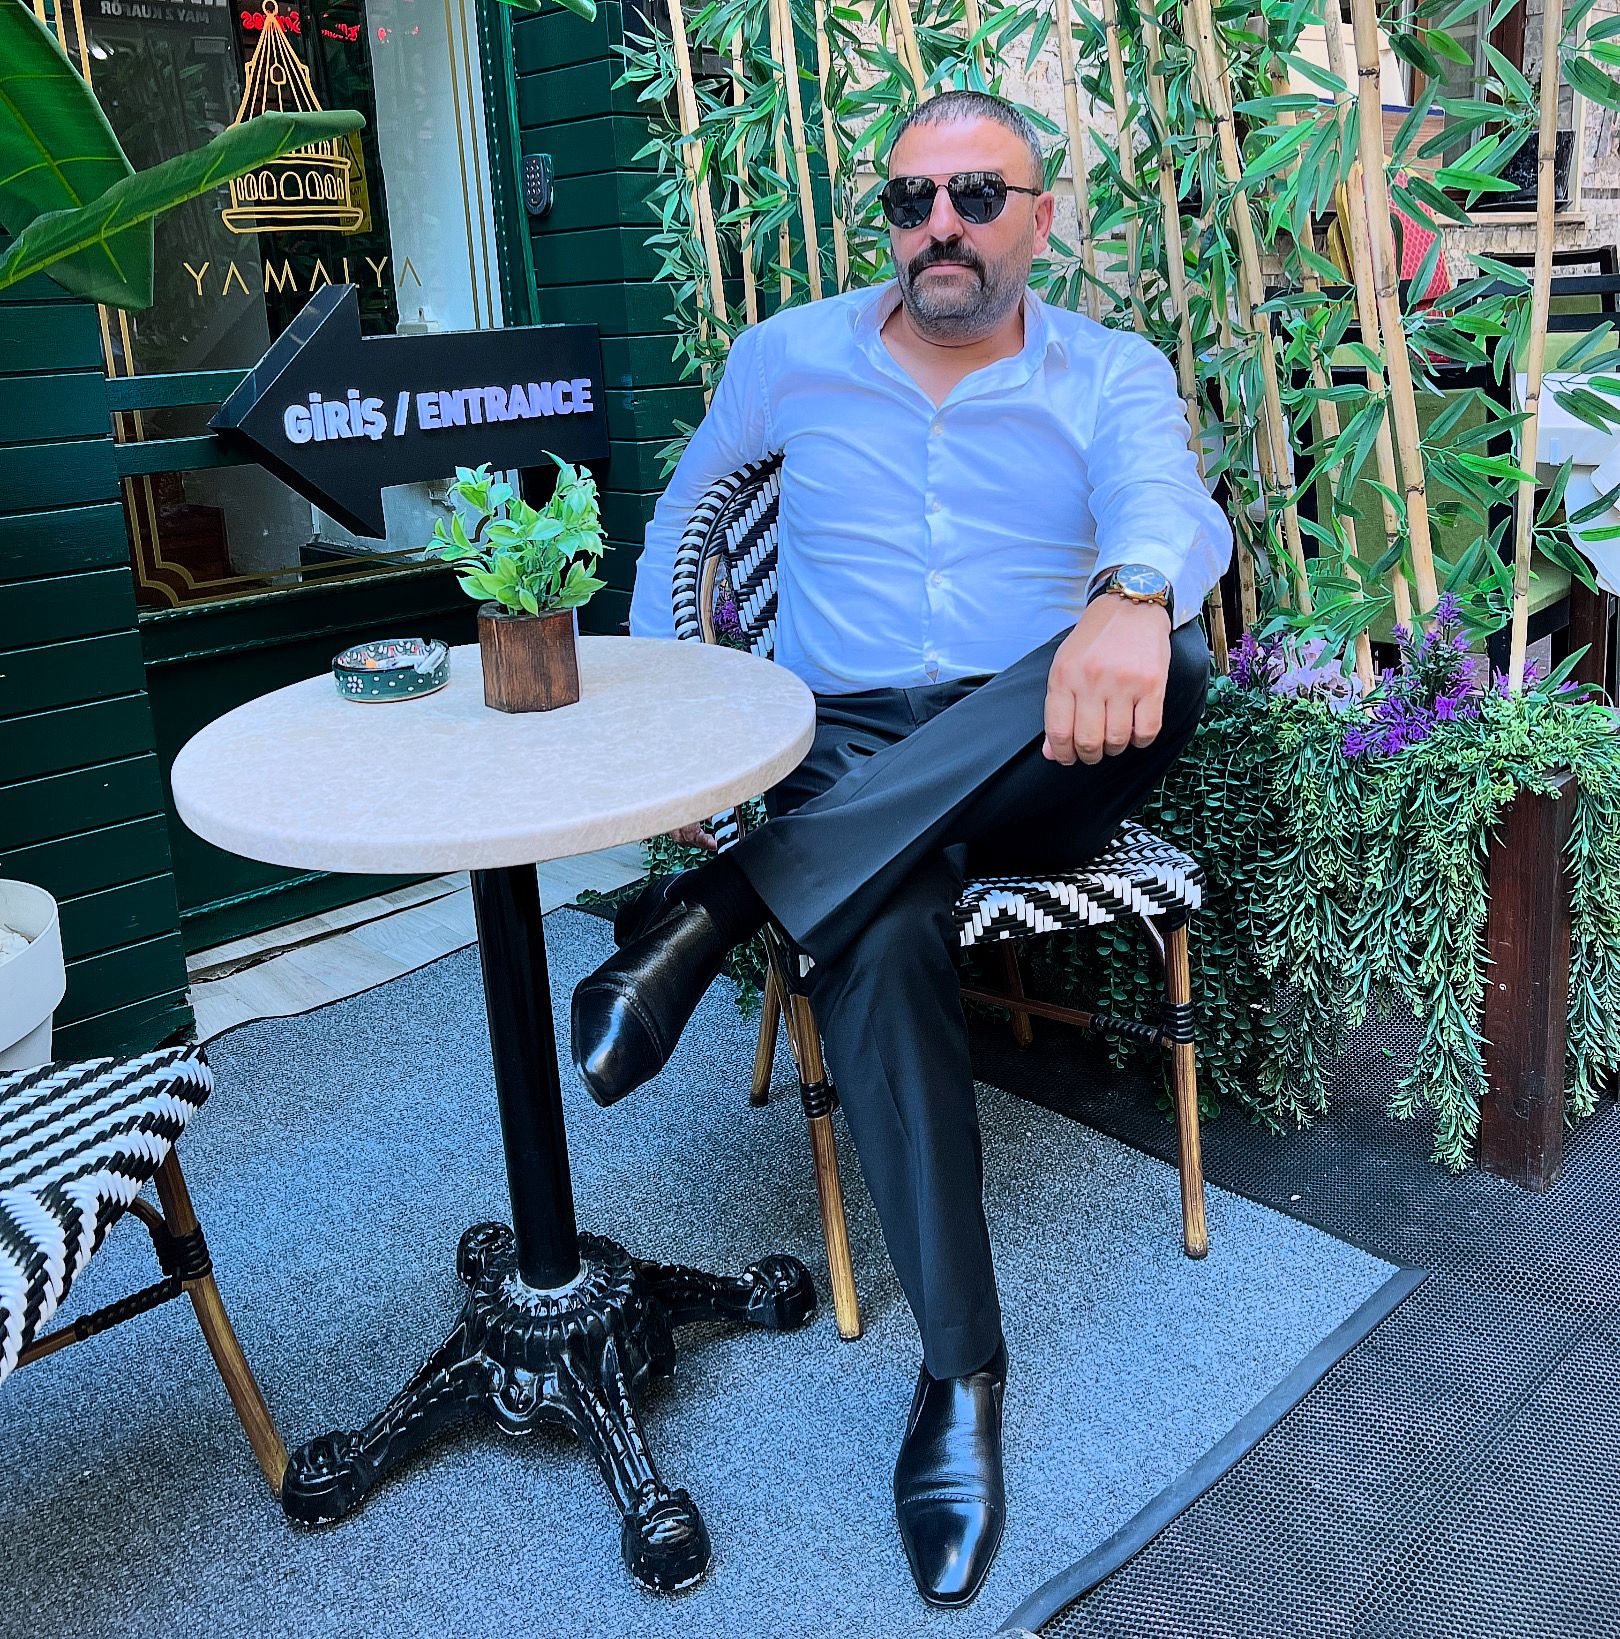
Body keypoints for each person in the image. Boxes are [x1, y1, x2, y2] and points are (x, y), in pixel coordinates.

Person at [569, 88, 1232, 1608]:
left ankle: (717, 909)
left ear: (1039, 218)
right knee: (876, 924)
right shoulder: (787, 357)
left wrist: (1134, 596)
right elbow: (684, 520)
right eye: (911, 199)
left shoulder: (1107, 371)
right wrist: (672, 711)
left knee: (1176, 655)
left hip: (1040, 739)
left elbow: (1169, 507)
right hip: (844, 742)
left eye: (978, 196)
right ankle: (961, 1373)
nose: (941, 225)